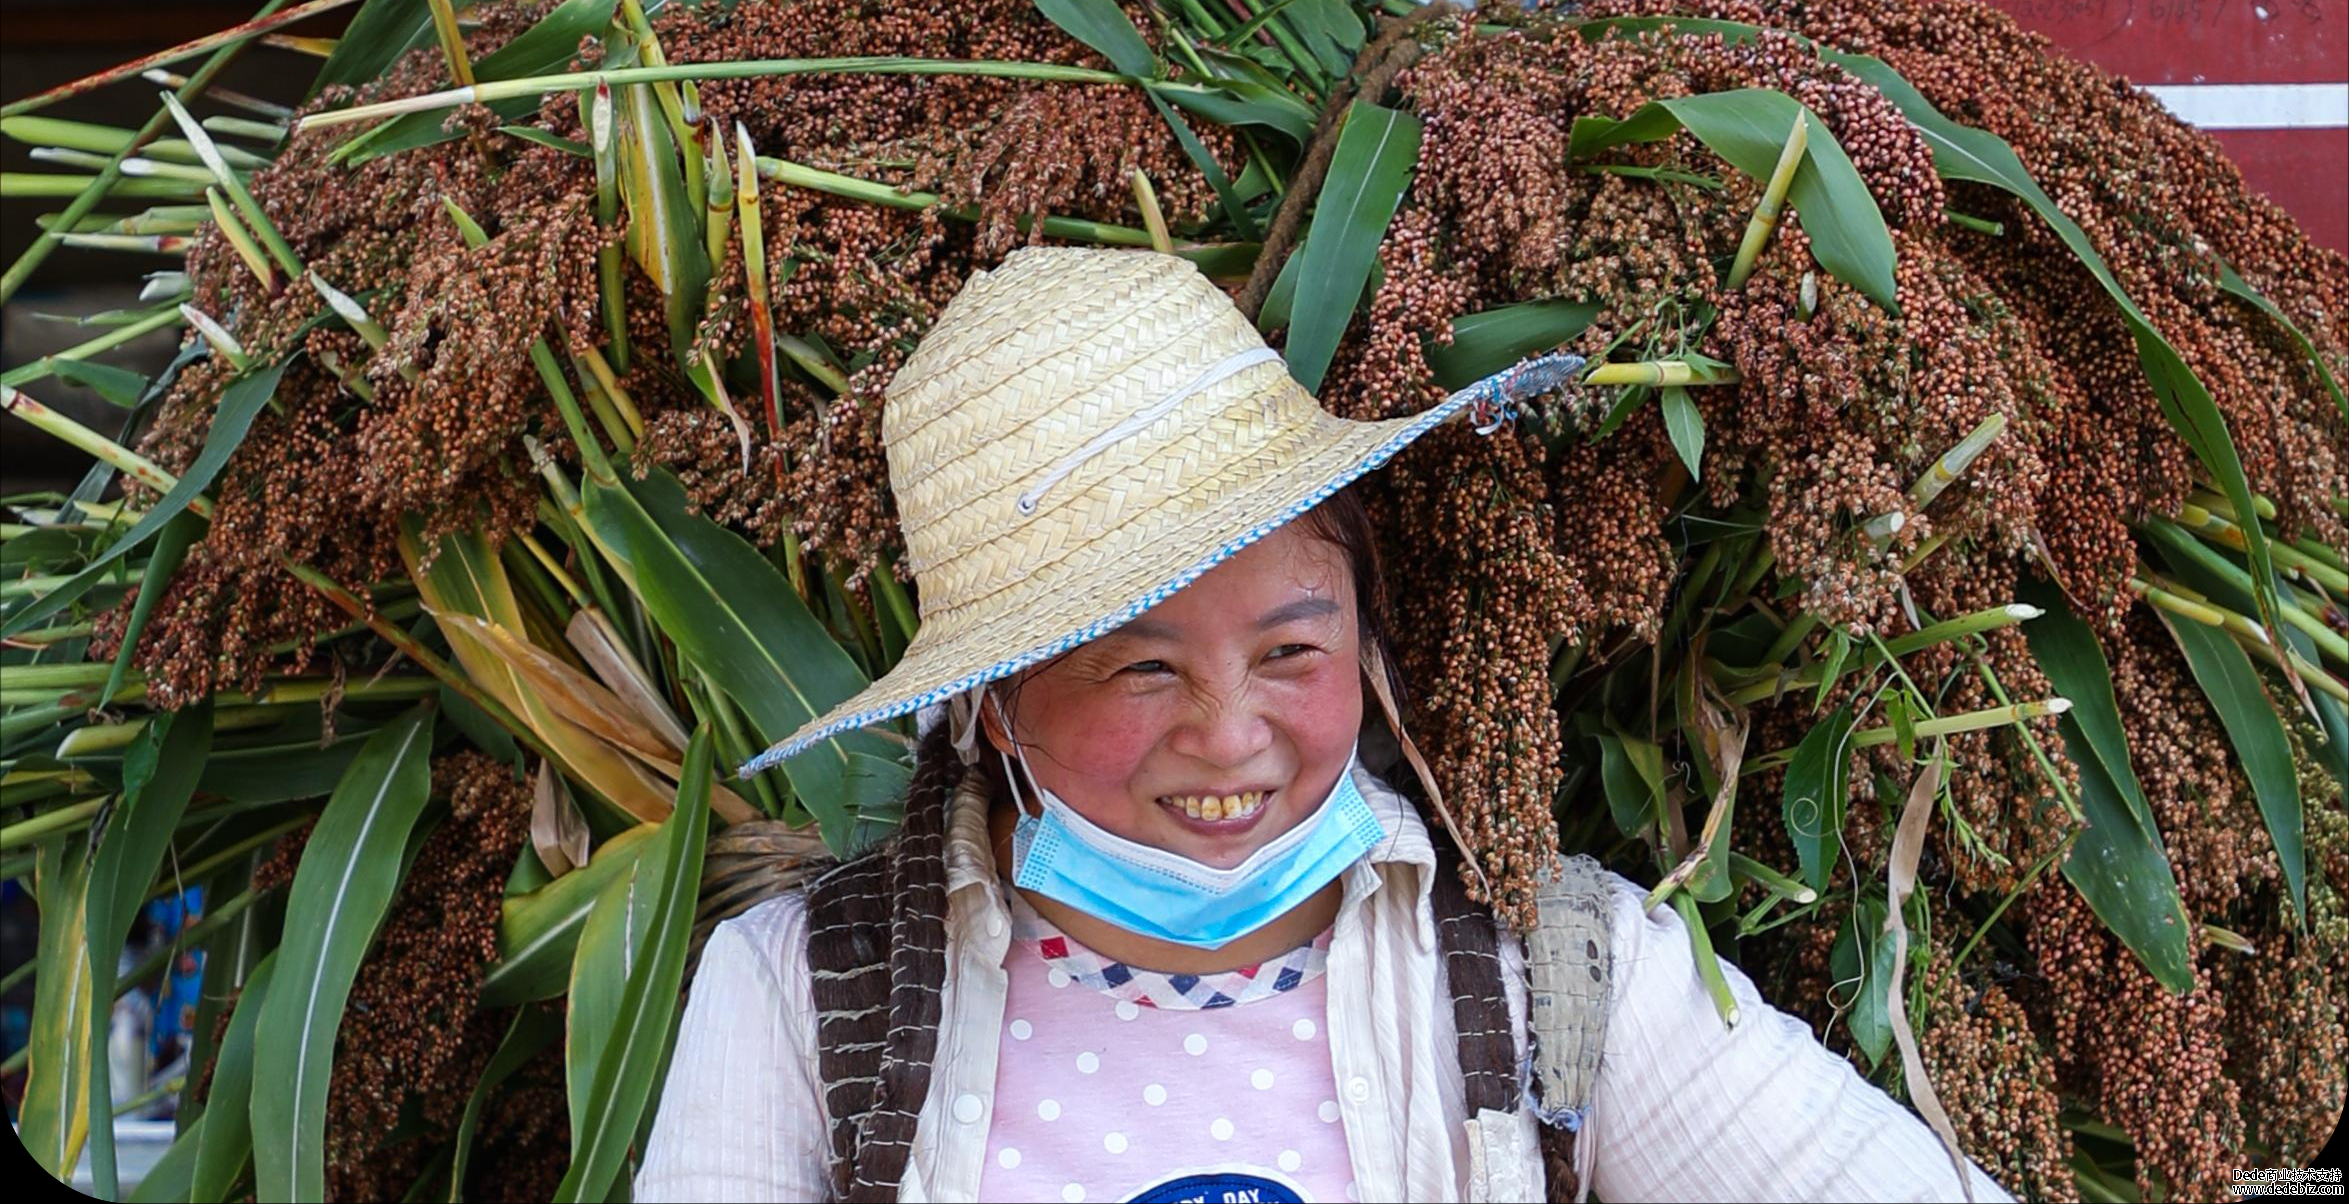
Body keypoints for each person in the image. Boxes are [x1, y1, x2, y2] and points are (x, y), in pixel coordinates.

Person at [635, 247, 2011, 1203]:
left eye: (1293, 648)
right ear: (992, 704)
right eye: (1141, 670)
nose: (1234, 737)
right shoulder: (806, 997)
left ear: (1365, 625)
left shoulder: (1569, 980)